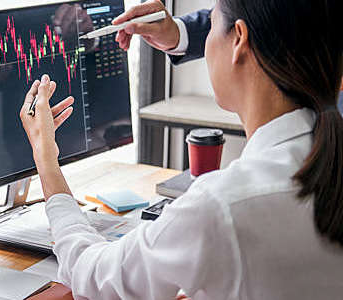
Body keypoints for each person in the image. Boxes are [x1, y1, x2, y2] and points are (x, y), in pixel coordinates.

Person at [19, 0, 343, 299]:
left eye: (213, 26)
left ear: (239, 40)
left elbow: (92, 275)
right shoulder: (325, 158)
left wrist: (45, 156)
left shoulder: (221, 205)